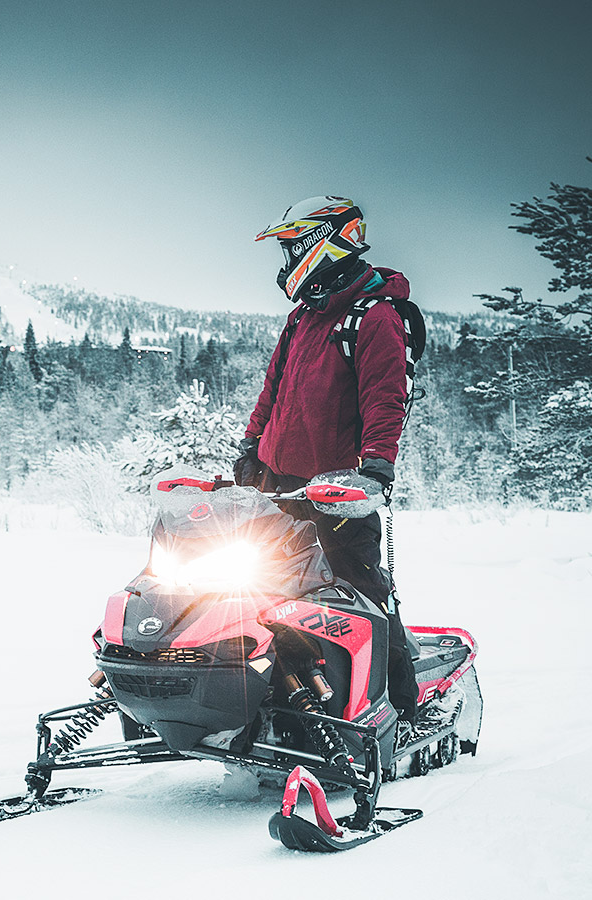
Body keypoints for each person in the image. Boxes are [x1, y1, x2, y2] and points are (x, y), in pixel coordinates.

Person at [233, 195, 421, 722]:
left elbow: (386, 397)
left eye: (293, 247)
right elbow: (274, 391)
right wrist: (251, 446)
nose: (287, 261)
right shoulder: (303, 318)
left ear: (324, 241)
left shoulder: (375, 316)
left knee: (359, 597)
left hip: (338, 491)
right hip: (277, 488)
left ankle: (398, 711)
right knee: (259, 595)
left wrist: (377, 467)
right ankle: (276, 701)